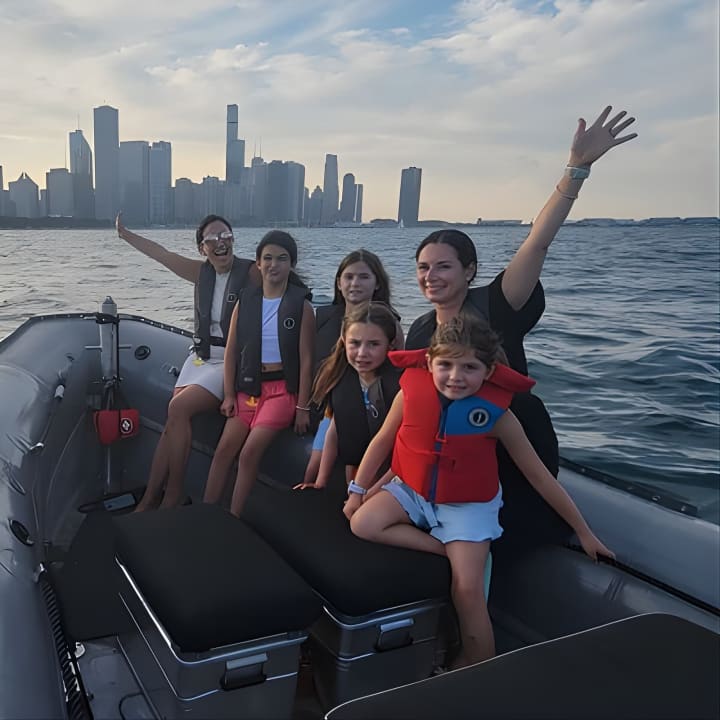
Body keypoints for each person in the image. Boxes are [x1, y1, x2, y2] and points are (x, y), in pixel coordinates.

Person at [404, 105, 637, 548]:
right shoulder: (418, 331)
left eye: (443, 266)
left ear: (469, 270)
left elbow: (538, 241)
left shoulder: (497, 302)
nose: (430, 275)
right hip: (459, 457)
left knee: (511, 545)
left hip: (514, 444)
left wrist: (576, 169)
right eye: (422, 267)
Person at [344, 316, 613, 668]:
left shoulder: (498, 416)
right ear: (428, 363)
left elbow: (540, 476)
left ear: (488, 372)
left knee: (467, 592)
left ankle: (476, 662)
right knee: (363, 523)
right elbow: (382, 443)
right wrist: (357, 491)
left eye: (469, 367)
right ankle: (446, 549)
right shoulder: (410, 395)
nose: (456, 377)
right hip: (413, 491)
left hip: (467, 506)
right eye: (446, 365)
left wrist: (584, 531)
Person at [116, 213, 259, 510]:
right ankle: (151, 495)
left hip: (227, 363)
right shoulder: (199, 273)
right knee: (172, 423)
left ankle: (174, 494)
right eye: (212, 239)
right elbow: (161, 254)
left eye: (226, 236)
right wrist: (125, 235)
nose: (221, 243)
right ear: (202, 249)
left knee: (178, 408)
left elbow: (283, 276)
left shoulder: (251, 273)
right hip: (199, 359)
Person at [203, 231, 315, 516]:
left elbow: (306, 359)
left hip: (281, 393)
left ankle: (234, 517)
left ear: (292, 264)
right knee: (224, 449)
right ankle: (205, 512)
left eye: (282, 259)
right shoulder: (247, 300)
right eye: (267, 258)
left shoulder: (301, 306)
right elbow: (231, 351)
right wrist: (229, 394)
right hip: (248, 390)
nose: (274, 265)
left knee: (249, 453)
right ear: (257, 263)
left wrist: (302, 407)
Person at [304, 250, 404, 485]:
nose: (355, 283)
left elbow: (396, 368)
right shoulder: (327, 316)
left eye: (364, 277)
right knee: (313, 466)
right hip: (334, 406)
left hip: (372, 407)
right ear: (339, 282)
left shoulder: (389, 323)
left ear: (377, 282)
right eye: (349, 277)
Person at [294, 302, 400, 492]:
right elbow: (335, 430)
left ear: (390, 344)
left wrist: (368, 493)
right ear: (344, 340)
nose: (362, 353)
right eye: (355, 343)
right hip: (355, 471)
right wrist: (321, 482)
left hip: (390, 477)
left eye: (374, 344)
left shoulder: (398, 386)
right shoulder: (341, 379)